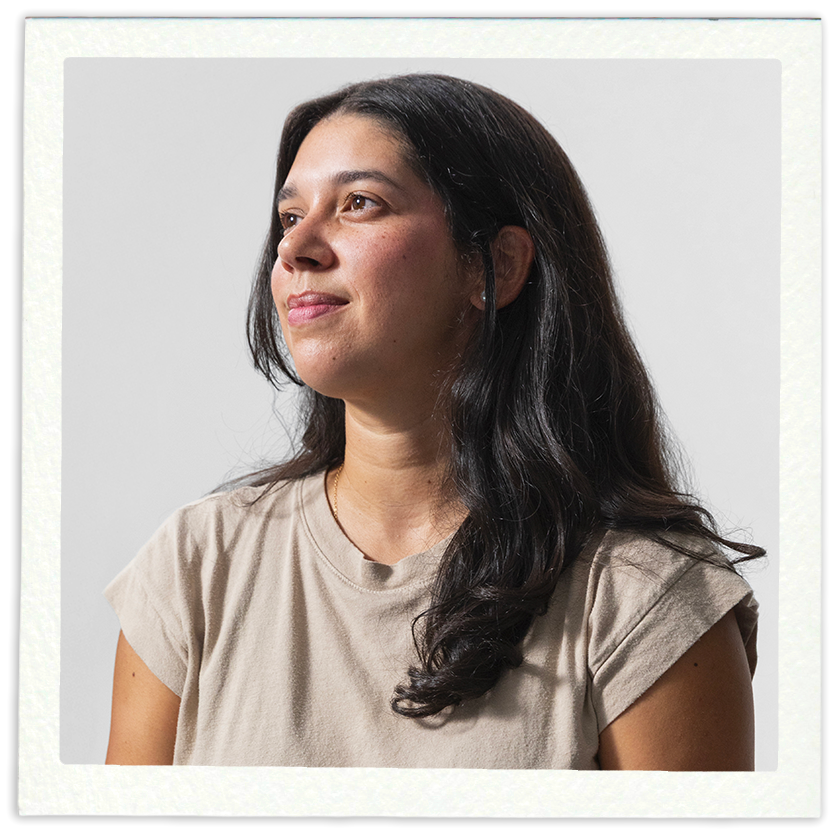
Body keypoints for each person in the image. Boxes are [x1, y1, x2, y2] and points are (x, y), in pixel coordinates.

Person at [104, 73, 762, 769]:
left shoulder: (644, 598)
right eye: (290, 217)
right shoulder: (196, 564)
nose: (294, 250)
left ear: (495, 264)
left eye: (359, 204)